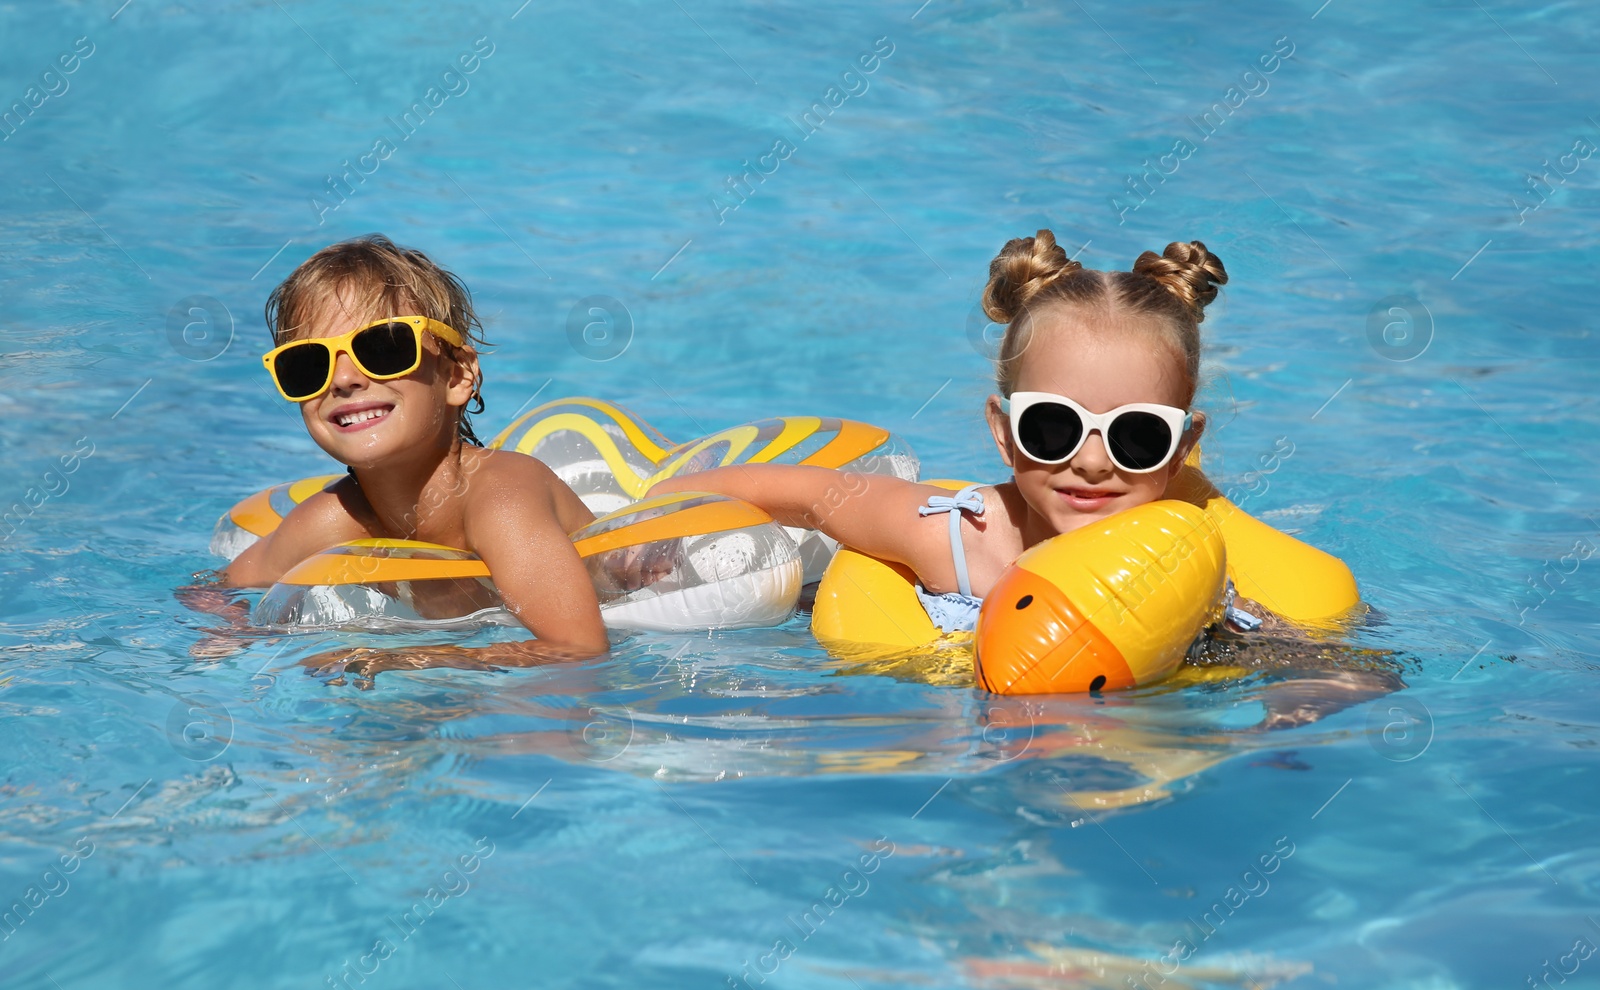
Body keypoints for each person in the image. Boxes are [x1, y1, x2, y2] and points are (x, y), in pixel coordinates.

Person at [656, 229, 1243, 633]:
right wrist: (660, 515)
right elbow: (808, 494)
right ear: (1004, 431)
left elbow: (1288, 652)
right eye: (1054, 426)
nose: (1091, 461)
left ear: (1182, 448)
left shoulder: (1193, 565)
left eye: (1137, 435)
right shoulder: (958, 539)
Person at [181, 235, 607, 683]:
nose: (343, 380)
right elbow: (212, 587)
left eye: (383, 348)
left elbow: (577, 646)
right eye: (308, 364)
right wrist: (231, 632)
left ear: (458, 375)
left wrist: (409, 659)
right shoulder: (331, 520)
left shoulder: (502, 500)